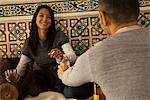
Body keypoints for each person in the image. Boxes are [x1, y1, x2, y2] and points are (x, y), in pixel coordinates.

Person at [58, 0, 150, 100]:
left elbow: (70, 79)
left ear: (103, 17)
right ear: (137, 13)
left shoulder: (96, 53)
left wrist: (63, 73)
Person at [4, 5, 76, 98]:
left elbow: (73, 57)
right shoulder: (29, 43)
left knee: (69, 90)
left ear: (52, 21)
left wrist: (62, 56)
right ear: (35, 19)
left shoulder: (59, 36)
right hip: (41, 78)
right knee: (33, 83)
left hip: (59, 75)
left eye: (49, 17)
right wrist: (14, 77)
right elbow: (21, 69)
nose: (45, 19)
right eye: (41, 16)